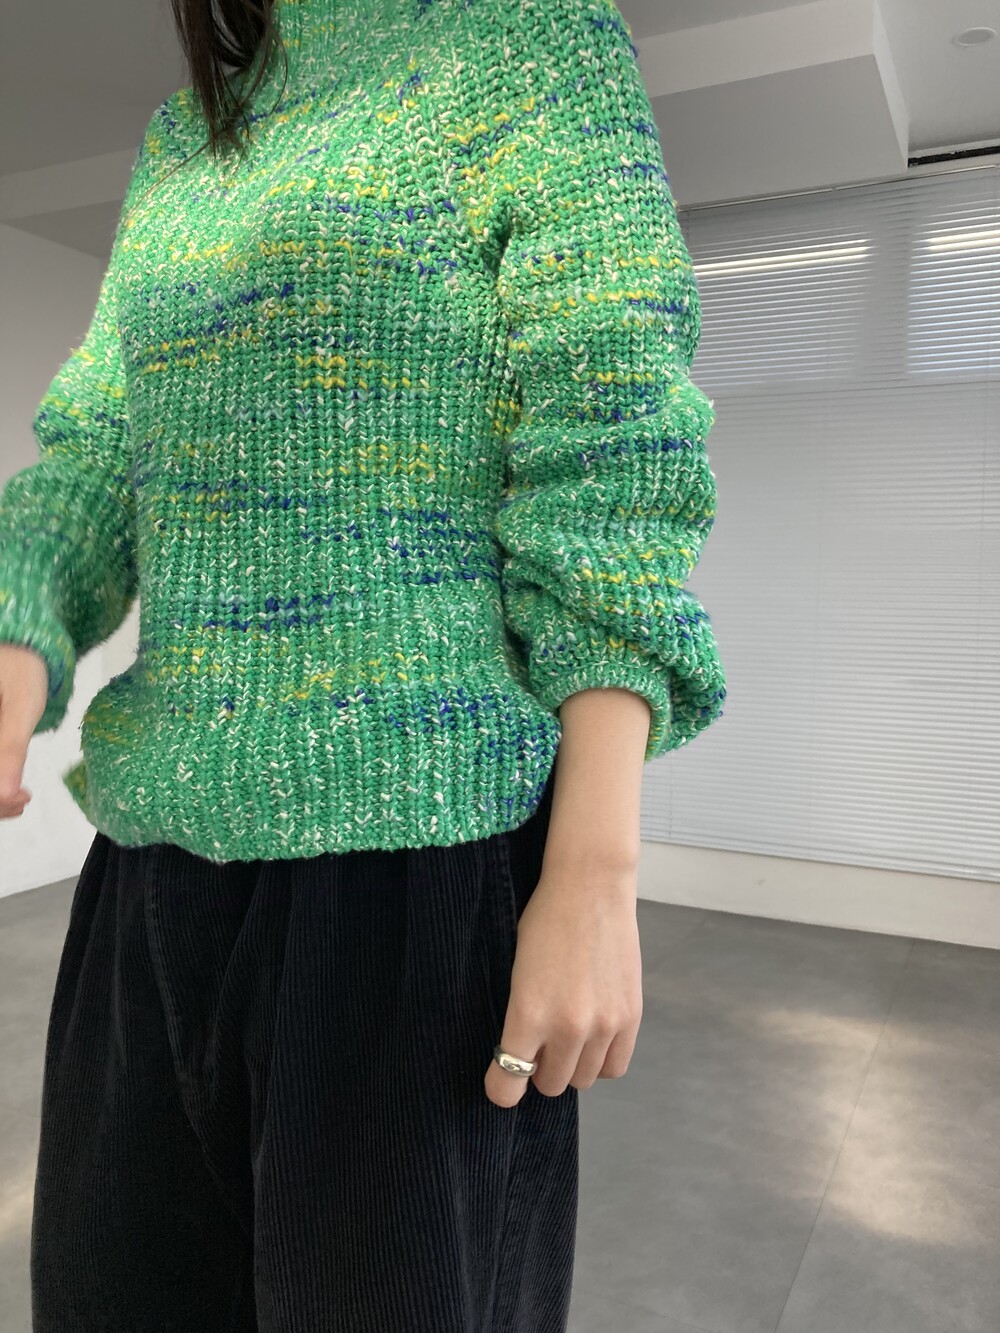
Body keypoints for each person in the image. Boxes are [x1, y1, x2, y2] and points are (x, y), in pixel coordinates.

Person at [0, 0, 726, 1327]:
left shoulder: (528, 43)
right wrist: (17, 624)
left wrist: (594, 870)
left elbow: (613, 446)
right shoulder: (183, 138)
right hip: (151, 885)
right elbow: (102, 445)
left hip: (417, 895)